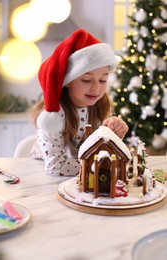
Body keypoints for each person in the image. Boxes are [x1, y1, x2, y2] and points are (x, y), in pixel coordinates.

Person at [32, 28, 128, 176]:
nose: (96, 87)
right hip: (43, 175)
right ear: (68, 81)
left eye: (103, 79)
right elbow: (56, 167)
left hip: (81, 174)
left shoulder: (100, 105)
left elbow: (101, 147)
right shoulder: (53, 117)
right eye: (86, 80)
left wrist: (115, 134)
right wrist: (97, 165)